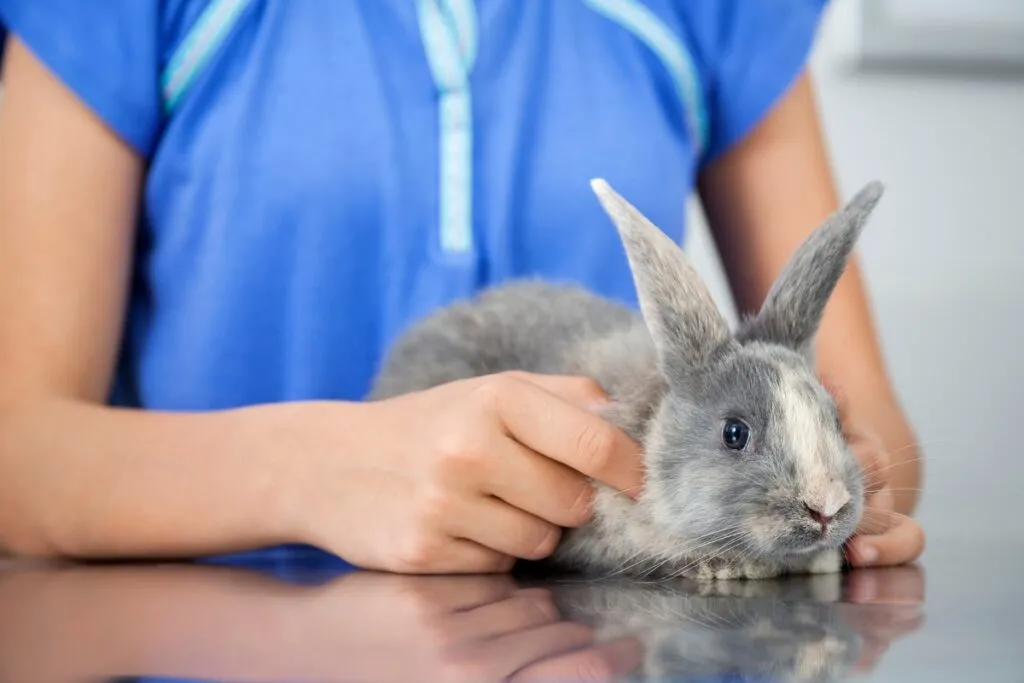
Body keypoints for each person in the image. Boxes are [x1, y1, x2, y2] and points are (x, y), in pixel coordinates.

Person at [0, 0, 924, 573]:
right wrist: (312, 470)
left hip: (587, 633)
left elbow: (868, 426)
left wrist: (846, 498)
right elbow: (19, 453)